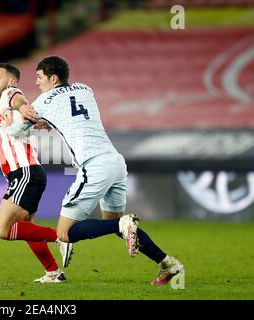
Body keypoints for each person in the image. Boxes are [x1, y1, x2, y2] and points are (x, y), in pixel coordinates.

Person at [11, 56, 184, 285]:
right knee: (115, 224)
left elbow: (16, 131)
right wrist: (48, 122)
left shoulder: (42, 101)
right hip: (115, 162)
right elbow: (71, 114)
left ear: (53, 78)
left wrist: (11, 122)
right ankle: (169, 264)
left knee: (64, 233)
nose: (36, 82)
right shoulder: (85, 89)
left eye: (39, 77)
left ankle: (125, 225)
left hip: (93, 165)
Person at [0, 63, 66, 283]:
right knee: (25, 227)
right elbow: (6, 153)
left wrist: (23, 106)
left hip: (24, 173)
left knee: (2, 229)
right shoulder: (6, 115)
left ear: (11, 81)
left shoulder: (10, 95)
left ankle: (62, 236)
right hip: (29, 172)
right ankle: (53, 272)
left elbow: (17, 98)